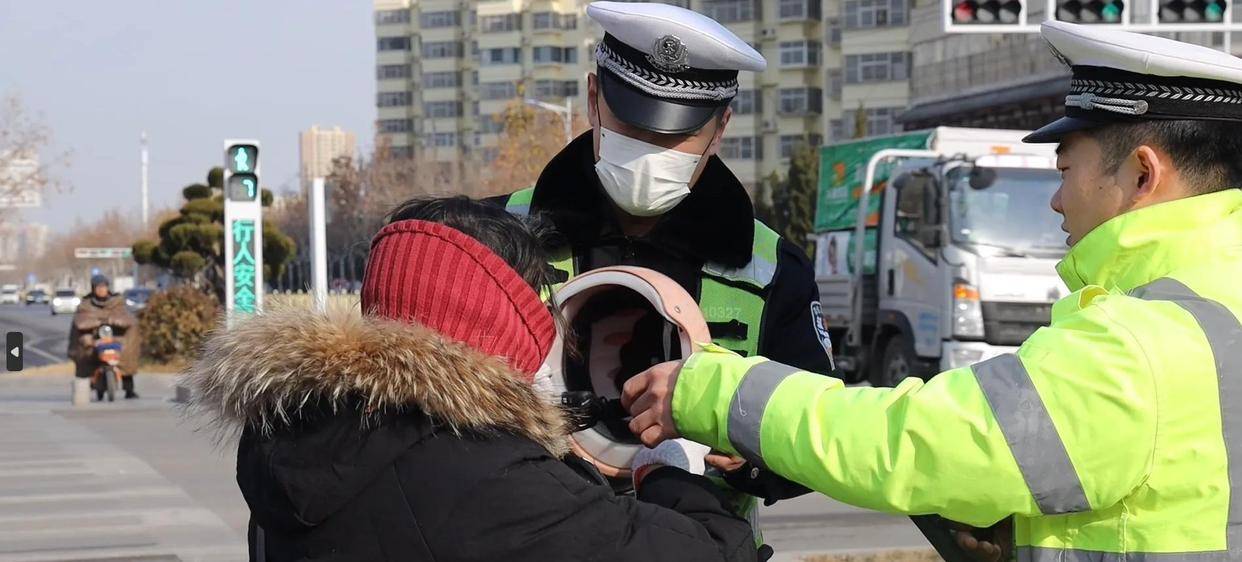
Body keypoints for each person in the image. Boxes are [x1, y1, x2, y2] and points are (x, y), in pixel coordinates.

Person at [622, 20, 1242, 561]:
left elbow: (911, 442)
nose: (1056, 201)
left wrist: (713, 390)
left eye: (1064, 171)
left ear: (1142, 173)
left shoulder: (1141, 343)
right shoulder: (1218, 299)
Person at [181, 197, 758, 562]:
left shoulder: (289, 438)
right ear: (502, 323)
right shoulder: (491, 478)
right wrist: (668, 471)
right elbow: (716, 552)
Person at [494, 0, 836, 504]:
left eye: (678, 134)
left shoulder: (772, 271)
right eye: (633, 125)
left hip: (702, 535)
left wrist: (749, 451)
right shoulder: (494, 239)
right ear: (593, 99)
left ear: (720, 128)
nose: (651, 151)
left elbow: (818, 435)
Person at [68, 274, 140, 399]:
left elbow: (127, 318)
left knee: (127, 349)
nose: (101, 290)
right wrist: (97, 323)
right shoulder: (86, 304)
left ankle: (129, 388)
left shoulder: (117, 302)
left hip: (115, 336)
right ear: (93, 288)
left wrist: (112, 321)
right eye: (98, 287)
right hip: (95, 337)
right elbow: (80, 321)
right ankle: (91, 383)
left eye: (104, 287)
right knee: (85, 347)